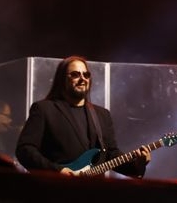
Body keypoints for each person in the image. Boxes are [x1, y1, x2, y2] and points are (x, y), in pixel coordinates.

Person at [16, 55, 151, 177]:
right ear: (62, 79)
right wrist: (57, 170)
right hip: (56, 190)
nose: (82, 79)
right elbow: (25, 150)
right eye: (75, 74)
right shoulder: (44, 109)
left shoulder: (102, 115)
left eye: (86, 75)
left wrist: (137, 165)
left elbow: (110, 154)